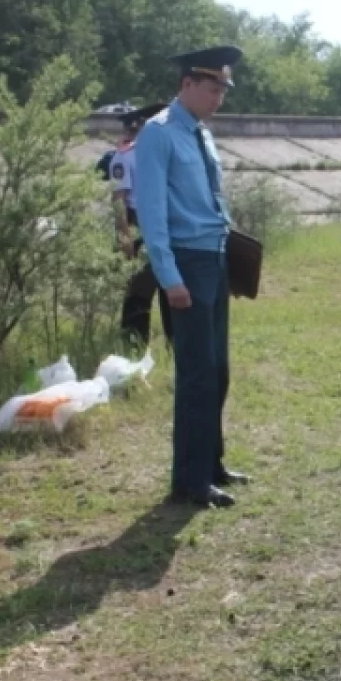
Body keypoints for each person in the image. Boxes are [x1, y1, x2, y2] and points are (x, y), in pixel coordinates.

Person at [133, 45, 251, 509]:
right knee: (196, 375)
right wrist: (169, 276)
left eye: (223, 89)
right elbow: (152, 212)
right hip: (186, 262)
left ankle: (211, 464)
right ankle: (189, 481)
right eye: (212, 87)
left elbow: (212, 199)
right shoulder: (158, 133)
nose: (219, 97)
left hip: (214, 258)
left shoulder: (201, 133)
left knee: (217, 370)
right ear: (186, 84)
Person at [110, 102, 174, 349]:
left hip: (166, 223)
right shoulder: (125, 155)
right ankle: (133, 346)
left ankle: (175, 342)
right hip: (138, 225)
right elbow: (118, 199)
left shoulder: (166, 151)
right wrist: (125, 237)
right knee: (139, 291)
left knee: (171, 287)